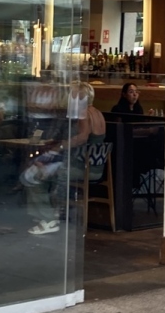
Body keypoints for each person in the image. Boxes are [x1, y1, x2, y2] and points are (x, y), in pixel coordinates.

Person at [22, 82, 106, 234]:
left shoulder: (84, 113)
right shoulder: (98, 113)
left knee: (34, 175)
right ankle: (49, 213)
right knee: (43, 167)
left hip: (78, 167)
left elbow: (82, 137)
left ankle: (48, 219)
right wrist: (57, 144)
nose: (70, 98)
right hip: (95, 168)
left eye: (73, 94)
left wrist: (59, 146)